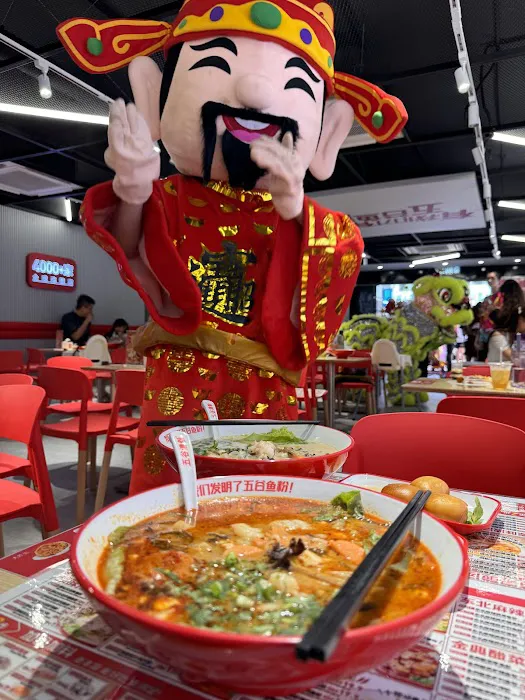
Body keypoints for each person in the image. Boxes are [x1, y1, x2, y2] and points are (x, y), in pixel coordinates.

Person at [57, 0, 407, 496]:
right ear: (158, 100)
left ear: (326, 135)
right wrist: (132, 192)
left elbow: (334, 267)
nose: (256, 91)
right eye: (215, 63)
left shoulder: (315, 223)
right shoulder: (171, 196)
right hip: (178, 380)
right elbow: (136, 251)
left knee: (262, 498)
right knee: (169, 499)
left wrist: (295, 211)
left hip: (265, 386)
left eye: (293, 83)